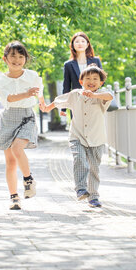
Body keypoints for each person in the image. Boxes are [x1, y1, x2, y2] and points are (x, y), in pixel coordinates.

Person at [41, 64, 113, 208]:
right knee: (79, 159)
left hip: (97, 139)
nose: (91, 81)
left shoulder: (102, 94)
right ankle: (81, 189)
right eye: (87, 78)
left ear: (101, 83)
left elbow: (110, 96)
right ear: (81, 82)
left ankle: (93, 196)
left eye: (95, 79)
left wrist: (94, 95)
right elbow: (58, 101)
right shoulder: (75, 94)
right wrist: (47, 108)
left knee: (94, 168)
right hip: (77, 136)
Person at [0, 41, 45, 210]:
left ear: (25, 59)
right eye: (13, 56)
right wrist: (26, 93)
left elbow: (40, 94)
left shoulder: (32, 76)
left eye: (21, 56)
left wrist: (44, 104)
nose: (17, 60)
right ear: (5, 59)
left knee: (17, 149)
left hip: (26, 116)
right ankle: (14, 197)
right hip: (8, 118)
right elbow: (8, 98)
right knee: (10, 162)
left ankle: (28, 179)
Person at [61, 32, 102, 117]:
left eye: (83, 41)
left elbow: (102, 80)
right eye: (77, 41)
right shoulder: (68, 65)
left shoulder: (96, 61)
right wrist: (63, 108)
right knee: (78, 127)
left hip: (94, 99)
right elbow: (66, 86)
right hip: (77, 100)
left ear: (87, 44)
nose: (80, 43)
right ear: (72, 45)